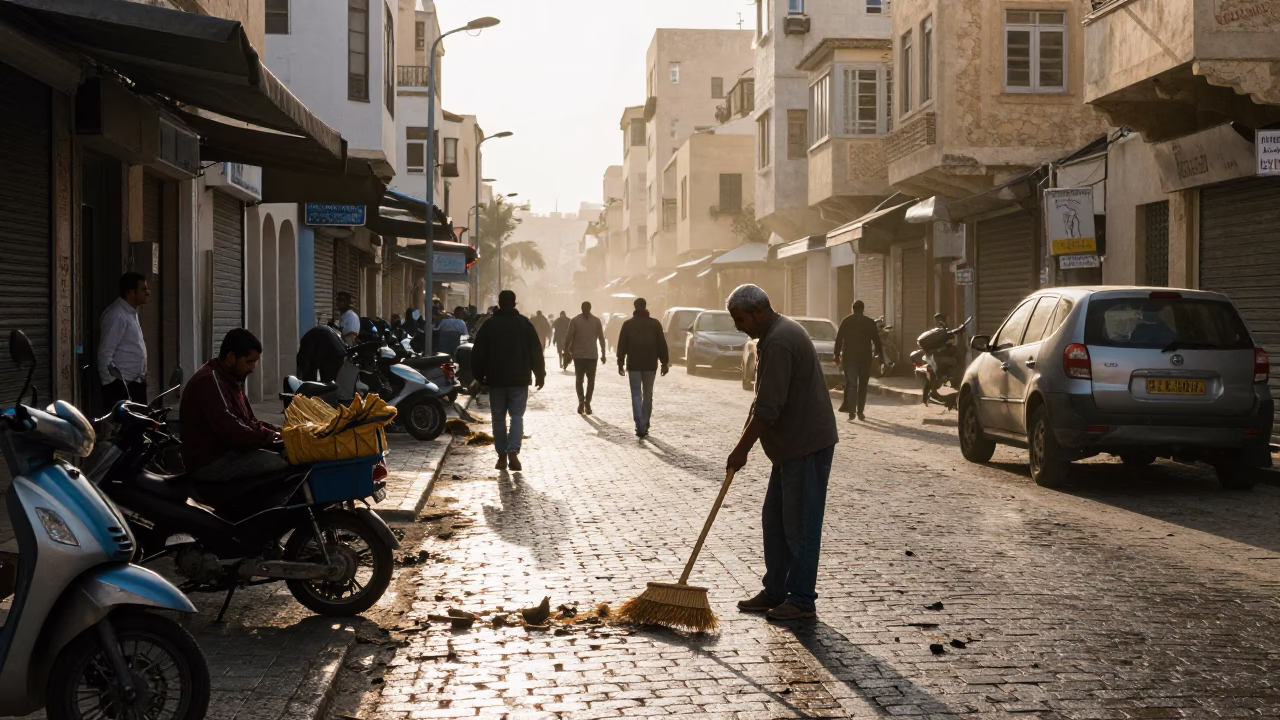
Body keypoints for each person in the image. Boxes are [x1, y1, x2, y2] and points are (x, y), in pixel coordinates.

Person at [725, 284, 838, 622]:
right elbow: (761, 401)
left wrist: (741, 450)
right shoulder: (770, 337)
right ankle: (776, 589)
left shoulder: (780, 340)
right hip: (788, 449)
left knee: (800, 526)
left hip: (805, 445)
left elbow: (769, 408)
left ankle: (801, 599)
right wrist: (741, 444)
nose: (737, 326)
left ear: (759, 312)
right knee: (774, 521)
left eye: (740, 319)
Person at [180, 328, 288, 483]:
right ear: (231, 357)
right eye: (249, 362)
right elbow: (234, 429)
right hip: (210, 463)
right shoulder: (210, 382)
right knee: (281, 463)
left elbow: (251, 423)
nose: (253, 368)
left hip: (230, 452)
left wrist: (282, 433)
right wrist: (275, 439)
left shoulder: (231, 380)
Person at [471, 290, 545, 472]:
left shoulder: (489, 325)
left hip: (496, 379)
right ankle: (513, 451)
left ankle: (502, 455)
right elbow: (536, 350)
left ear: (499, 303)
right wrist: (540, 374)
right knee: (517, 416)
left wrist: (479, 376)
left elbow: (477, 351)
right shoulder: (524, 324)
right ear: (514, 303)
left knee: (498, 418)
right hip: (519, 380)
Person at [97, 272, 151, 412]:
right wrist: (112, 384)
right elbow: (105, 353)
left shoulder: (130, 313)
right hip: (121, 389)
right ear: (131, 292)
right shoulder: (116, 315)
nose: (148, 293)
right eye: (143, 289)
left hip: (135, 386)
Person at [616, 298, 668, 438]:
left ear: (634, 307)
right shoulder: (654, 324)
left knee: (636, 395)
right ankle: (645, 423)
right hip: (650, 365)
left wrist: (620, 362)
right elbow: (662, 344)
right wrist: (665, 362)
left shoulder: (628, 325)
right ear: (645, 307)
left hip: (633, 365)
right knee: (648, 395)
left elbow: (622, 345)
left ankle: (639, 424)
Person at [833, 300, 884, 422]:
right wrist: (880, 356)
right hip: (865, 358)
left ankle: (852, 413)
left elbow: (839, 339)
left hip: (849, 358)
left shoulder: (846, 321)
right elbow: (877, 341)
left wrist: (836, 355)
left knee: (852, 385)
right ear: (863, 309)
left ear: (853, 308)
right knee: (863, 386)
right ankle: (860, 412)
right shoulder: (869, 322)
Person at [564, 301, 607, 415]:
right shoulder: (580, 321)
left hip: (587, 355)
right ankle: (584, 402)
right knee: (585, 380)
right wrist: (603, 353)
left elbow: (569, 337)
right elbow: (569, 337)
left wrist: (603, 353)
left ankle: (584, 402)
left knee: (584, 380)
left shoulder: (579, 321)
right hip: (584, 355)